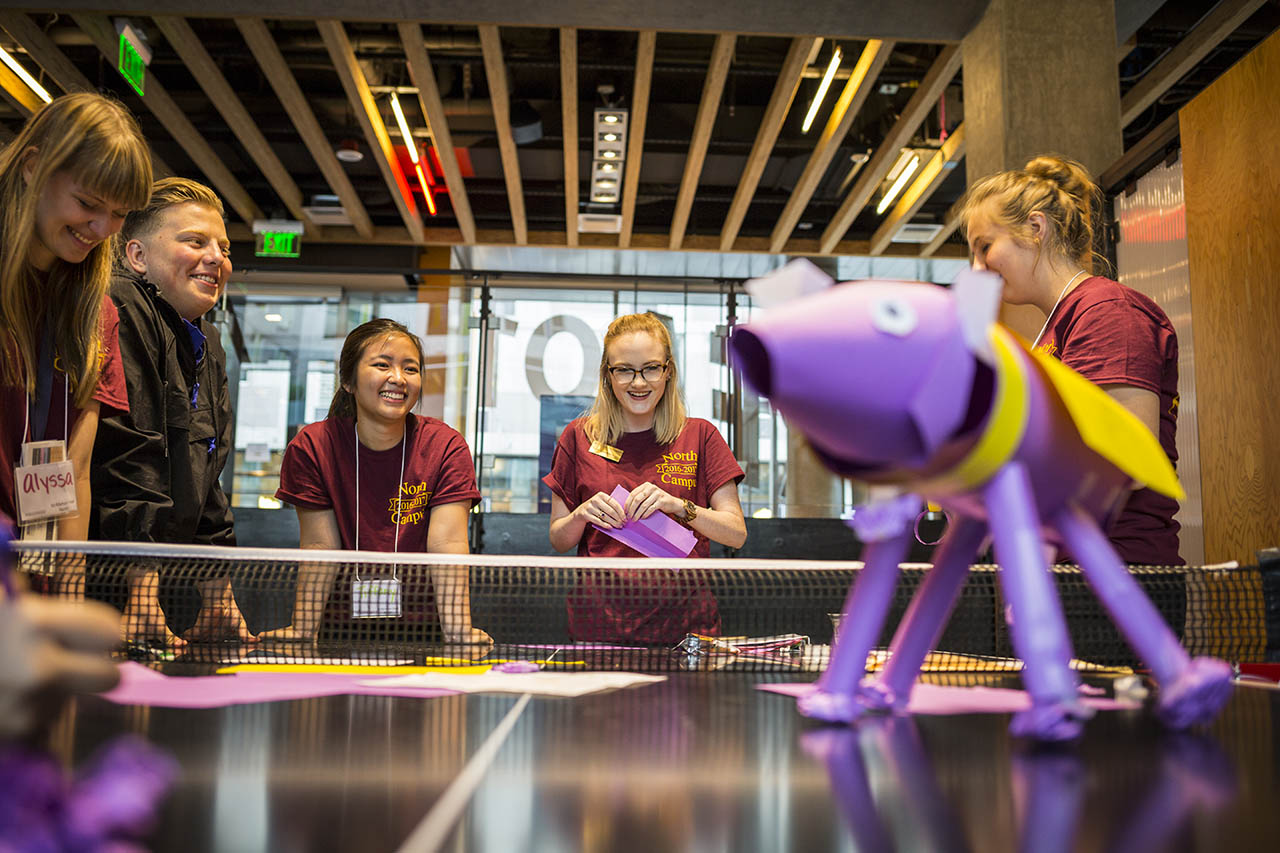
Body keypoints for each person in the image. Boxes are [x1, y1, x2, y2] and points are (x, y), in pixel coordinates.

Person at [962, 154, 1182, 565]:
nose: (978, 268)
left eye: (985, 247)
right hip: (1066, 570)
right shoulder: (1052, 330)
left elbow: (1127, 463)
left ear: (1035, 228)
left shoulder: (1107, 311)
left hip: (1118, 573)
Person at [0, 93, 152, 596]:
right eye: (88, 204)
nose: (101, 228)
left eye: (118, 213)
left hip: (30, 582)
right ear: (32, 166)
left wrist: (68, 598)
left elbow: (74, 470)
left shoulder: (96, 314)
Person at [259, 319, 491, 647]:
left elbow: (447, 545)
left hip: (423, 628)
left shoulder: (445, 446)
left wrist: (458, 632)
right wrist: (303, 629)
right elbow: (320, 547)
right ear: (348, 382)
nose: (398, 378)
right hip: (338, 627)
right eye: (382, 365)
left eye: (410, 369)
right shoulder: (312, 447)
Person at [90, 177, 250, 646]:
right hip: (104, 578)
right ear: (138, 256)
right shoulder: (121, 304)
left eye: (222, 247)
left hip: (160, 580)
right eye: (194, 241)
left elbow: (207, 470)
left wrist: (219, 598)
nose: (217, 258)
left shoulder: (205, 337)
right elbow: (130, 453)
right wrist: (140, 593)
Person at [544, 312, 747, 643]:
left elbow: (736, 533)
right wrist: (582, 514)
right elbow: (558, 538)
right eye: (624, 370)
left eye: (651, 368)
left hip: (685, 631)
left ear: (668, 371)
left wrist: (680, 506)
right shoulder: (577, 436)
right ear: (607, 376)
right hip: (599, 630)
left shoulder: (701, 436)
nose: (638, 383)